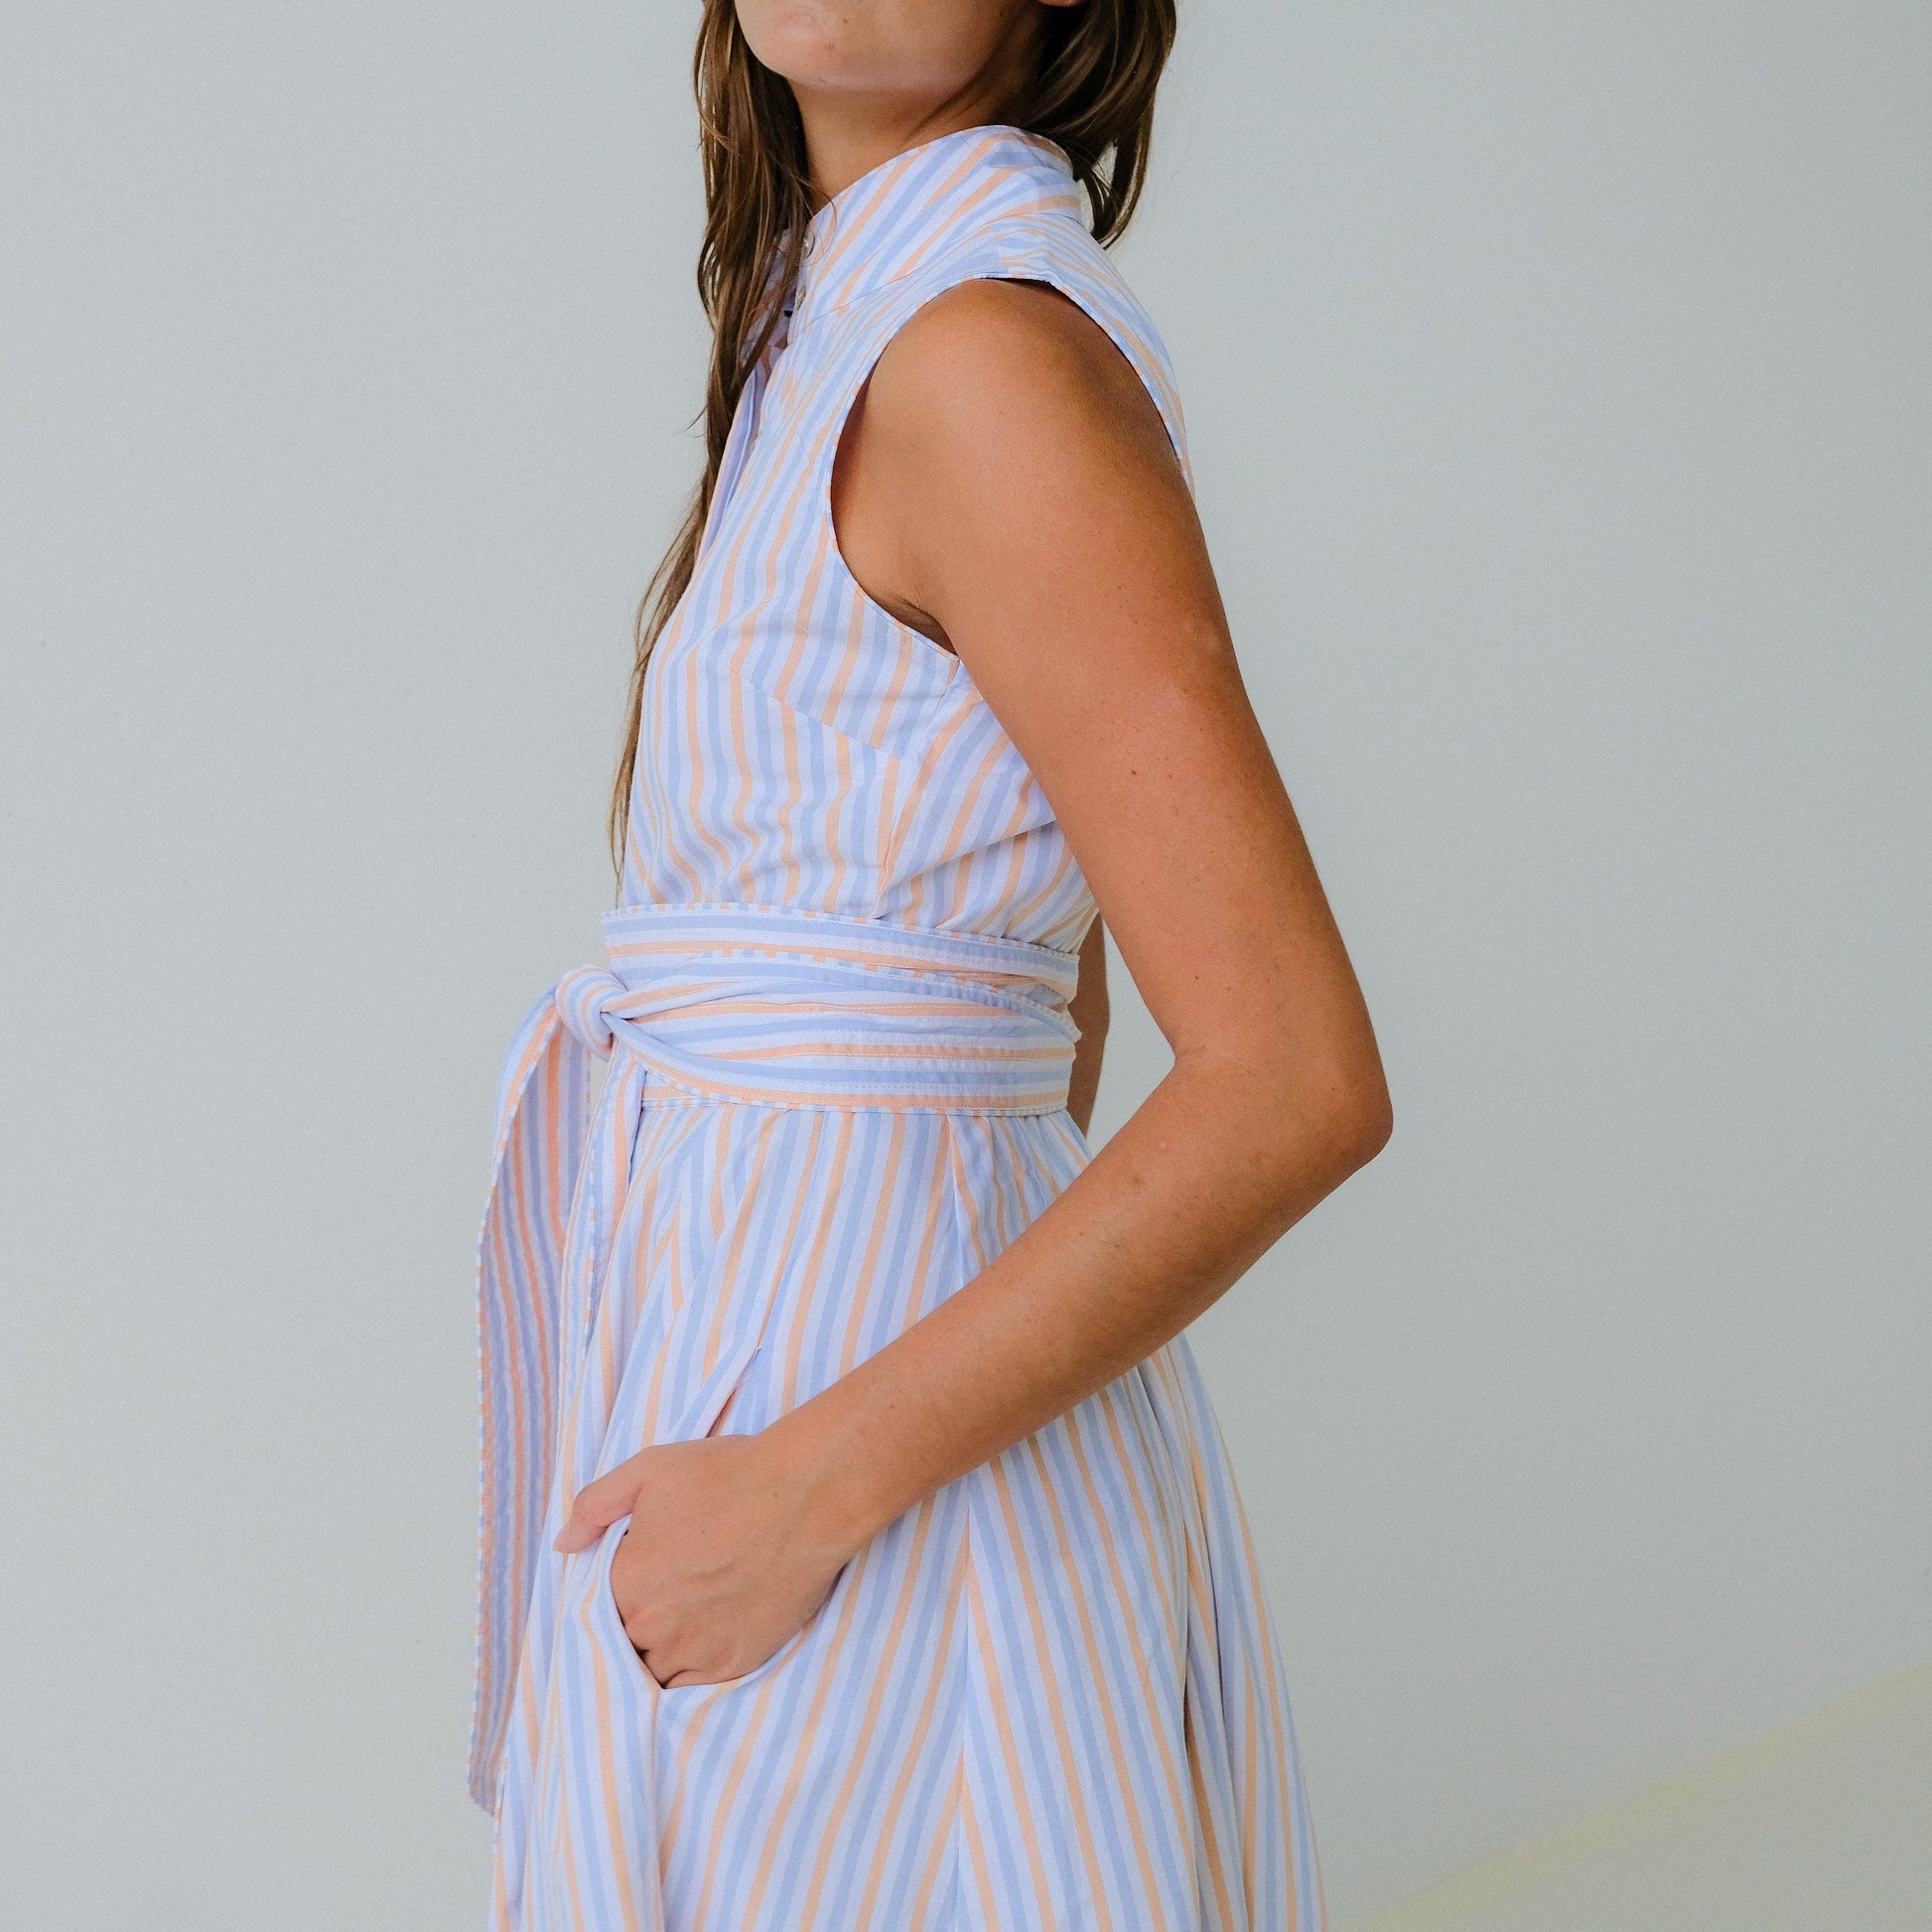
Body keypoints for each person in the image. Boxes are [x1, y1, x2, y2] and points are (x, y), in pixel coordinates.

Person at [468, 3, 1392, 1926]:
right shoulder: (840, 326)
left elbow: (1293, 1072)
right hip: (802, 1422)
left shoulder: (974, 355)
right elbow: (1042, 975)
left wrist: (811, 1485)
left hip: (856, 1491)